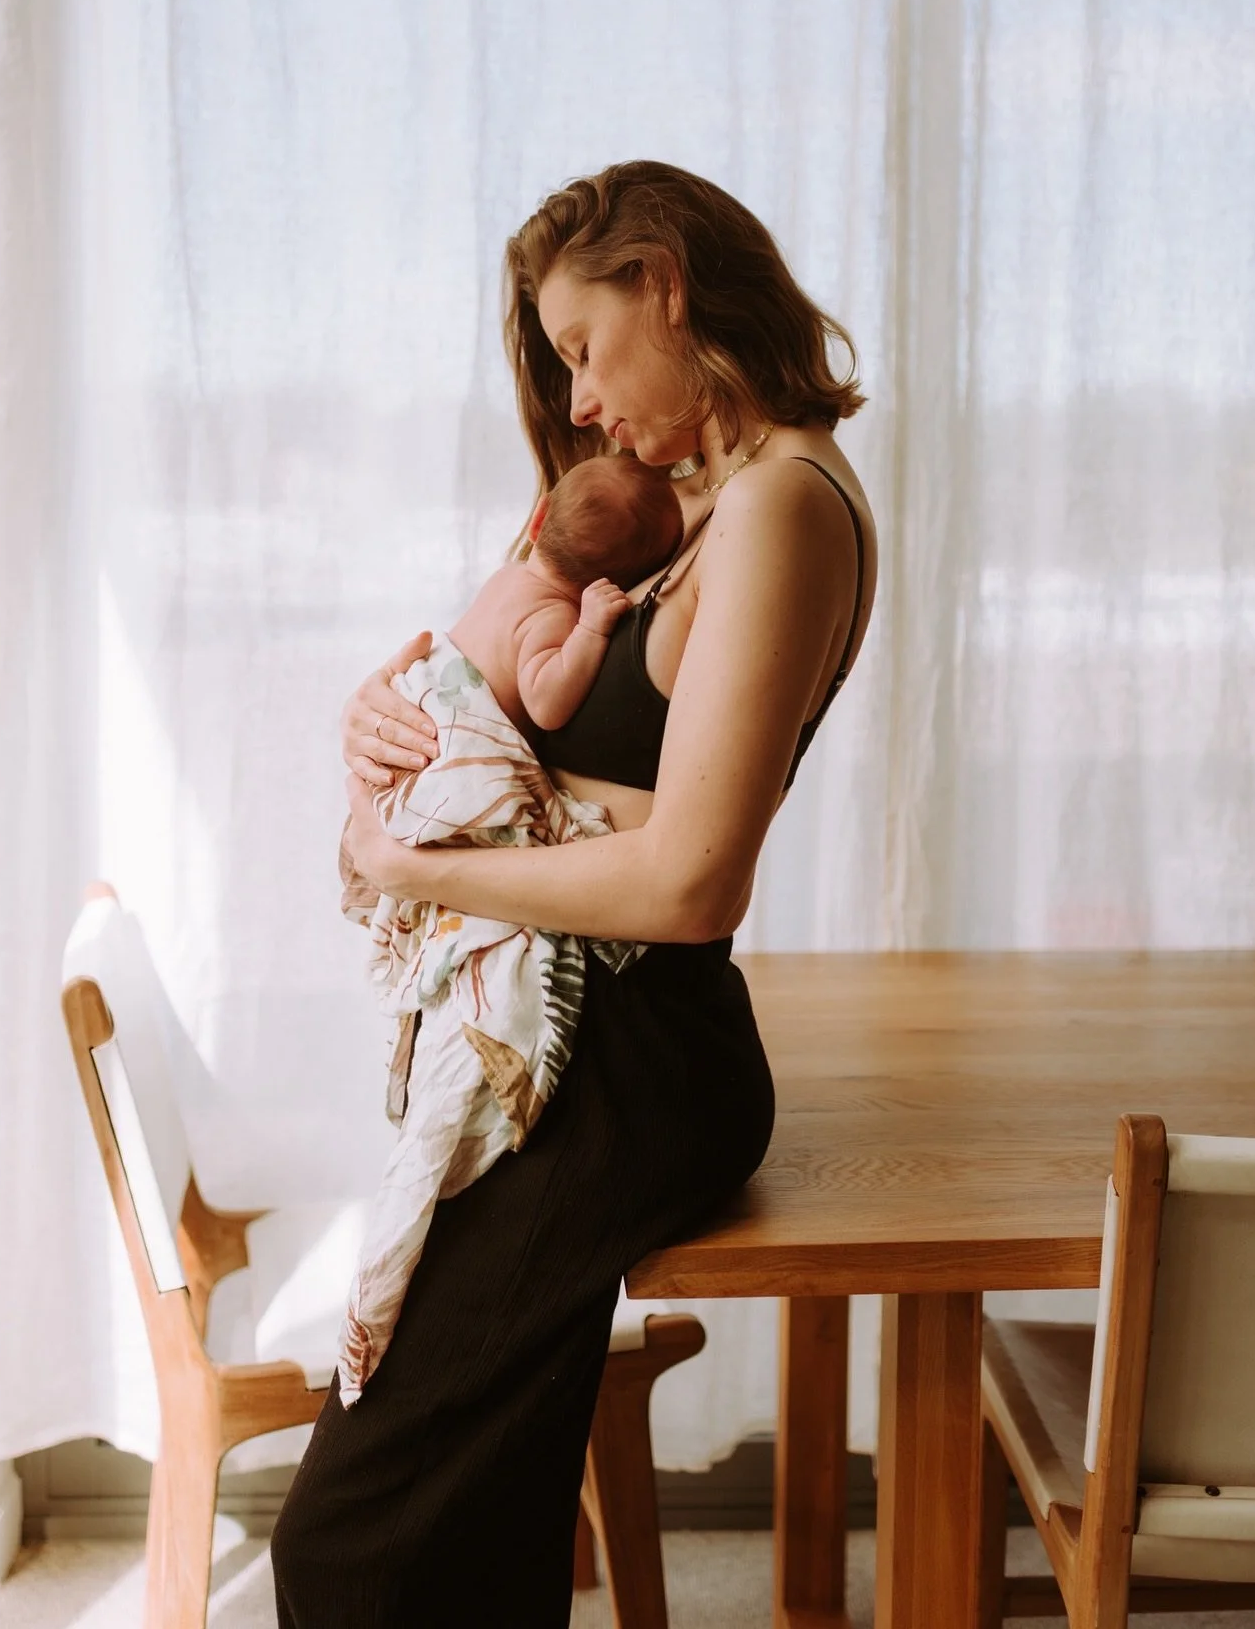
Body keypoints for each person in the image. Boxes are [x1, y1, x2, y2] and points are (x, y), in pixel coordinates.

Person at [271, 159, 877, 1628]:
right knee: (466, 1527)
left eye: (585, 350)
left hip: (630, 1066)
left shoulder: (783, 506)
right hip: (564, 1049)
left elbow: (693, 880)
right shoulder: (683, 507)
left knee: (349, 1547)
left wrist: (416, 862)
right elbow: (496, 697)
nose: (583, 401)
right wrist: (386, 725)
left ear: (664, 285)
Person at [449, 452, 683, 732]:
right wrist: (590, 630)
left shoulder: (506, 576)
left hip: (425, 695)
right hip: (463, 734)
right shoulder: (553, 615)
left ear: (538, 519)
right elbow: (545, 707)